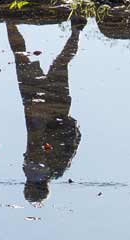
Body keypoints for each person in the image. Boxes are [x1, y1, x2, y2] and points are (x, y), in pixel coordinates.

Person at [6, 19, 84, 204]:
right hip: (36, 110)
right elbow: (36, 140)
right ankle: (9, 21)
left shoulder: (59, 169)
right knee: (20, 56)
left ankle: (76, 31)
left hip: (59, 110)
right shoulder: (33, 170)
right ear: (28, 187)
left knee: (62, 63)